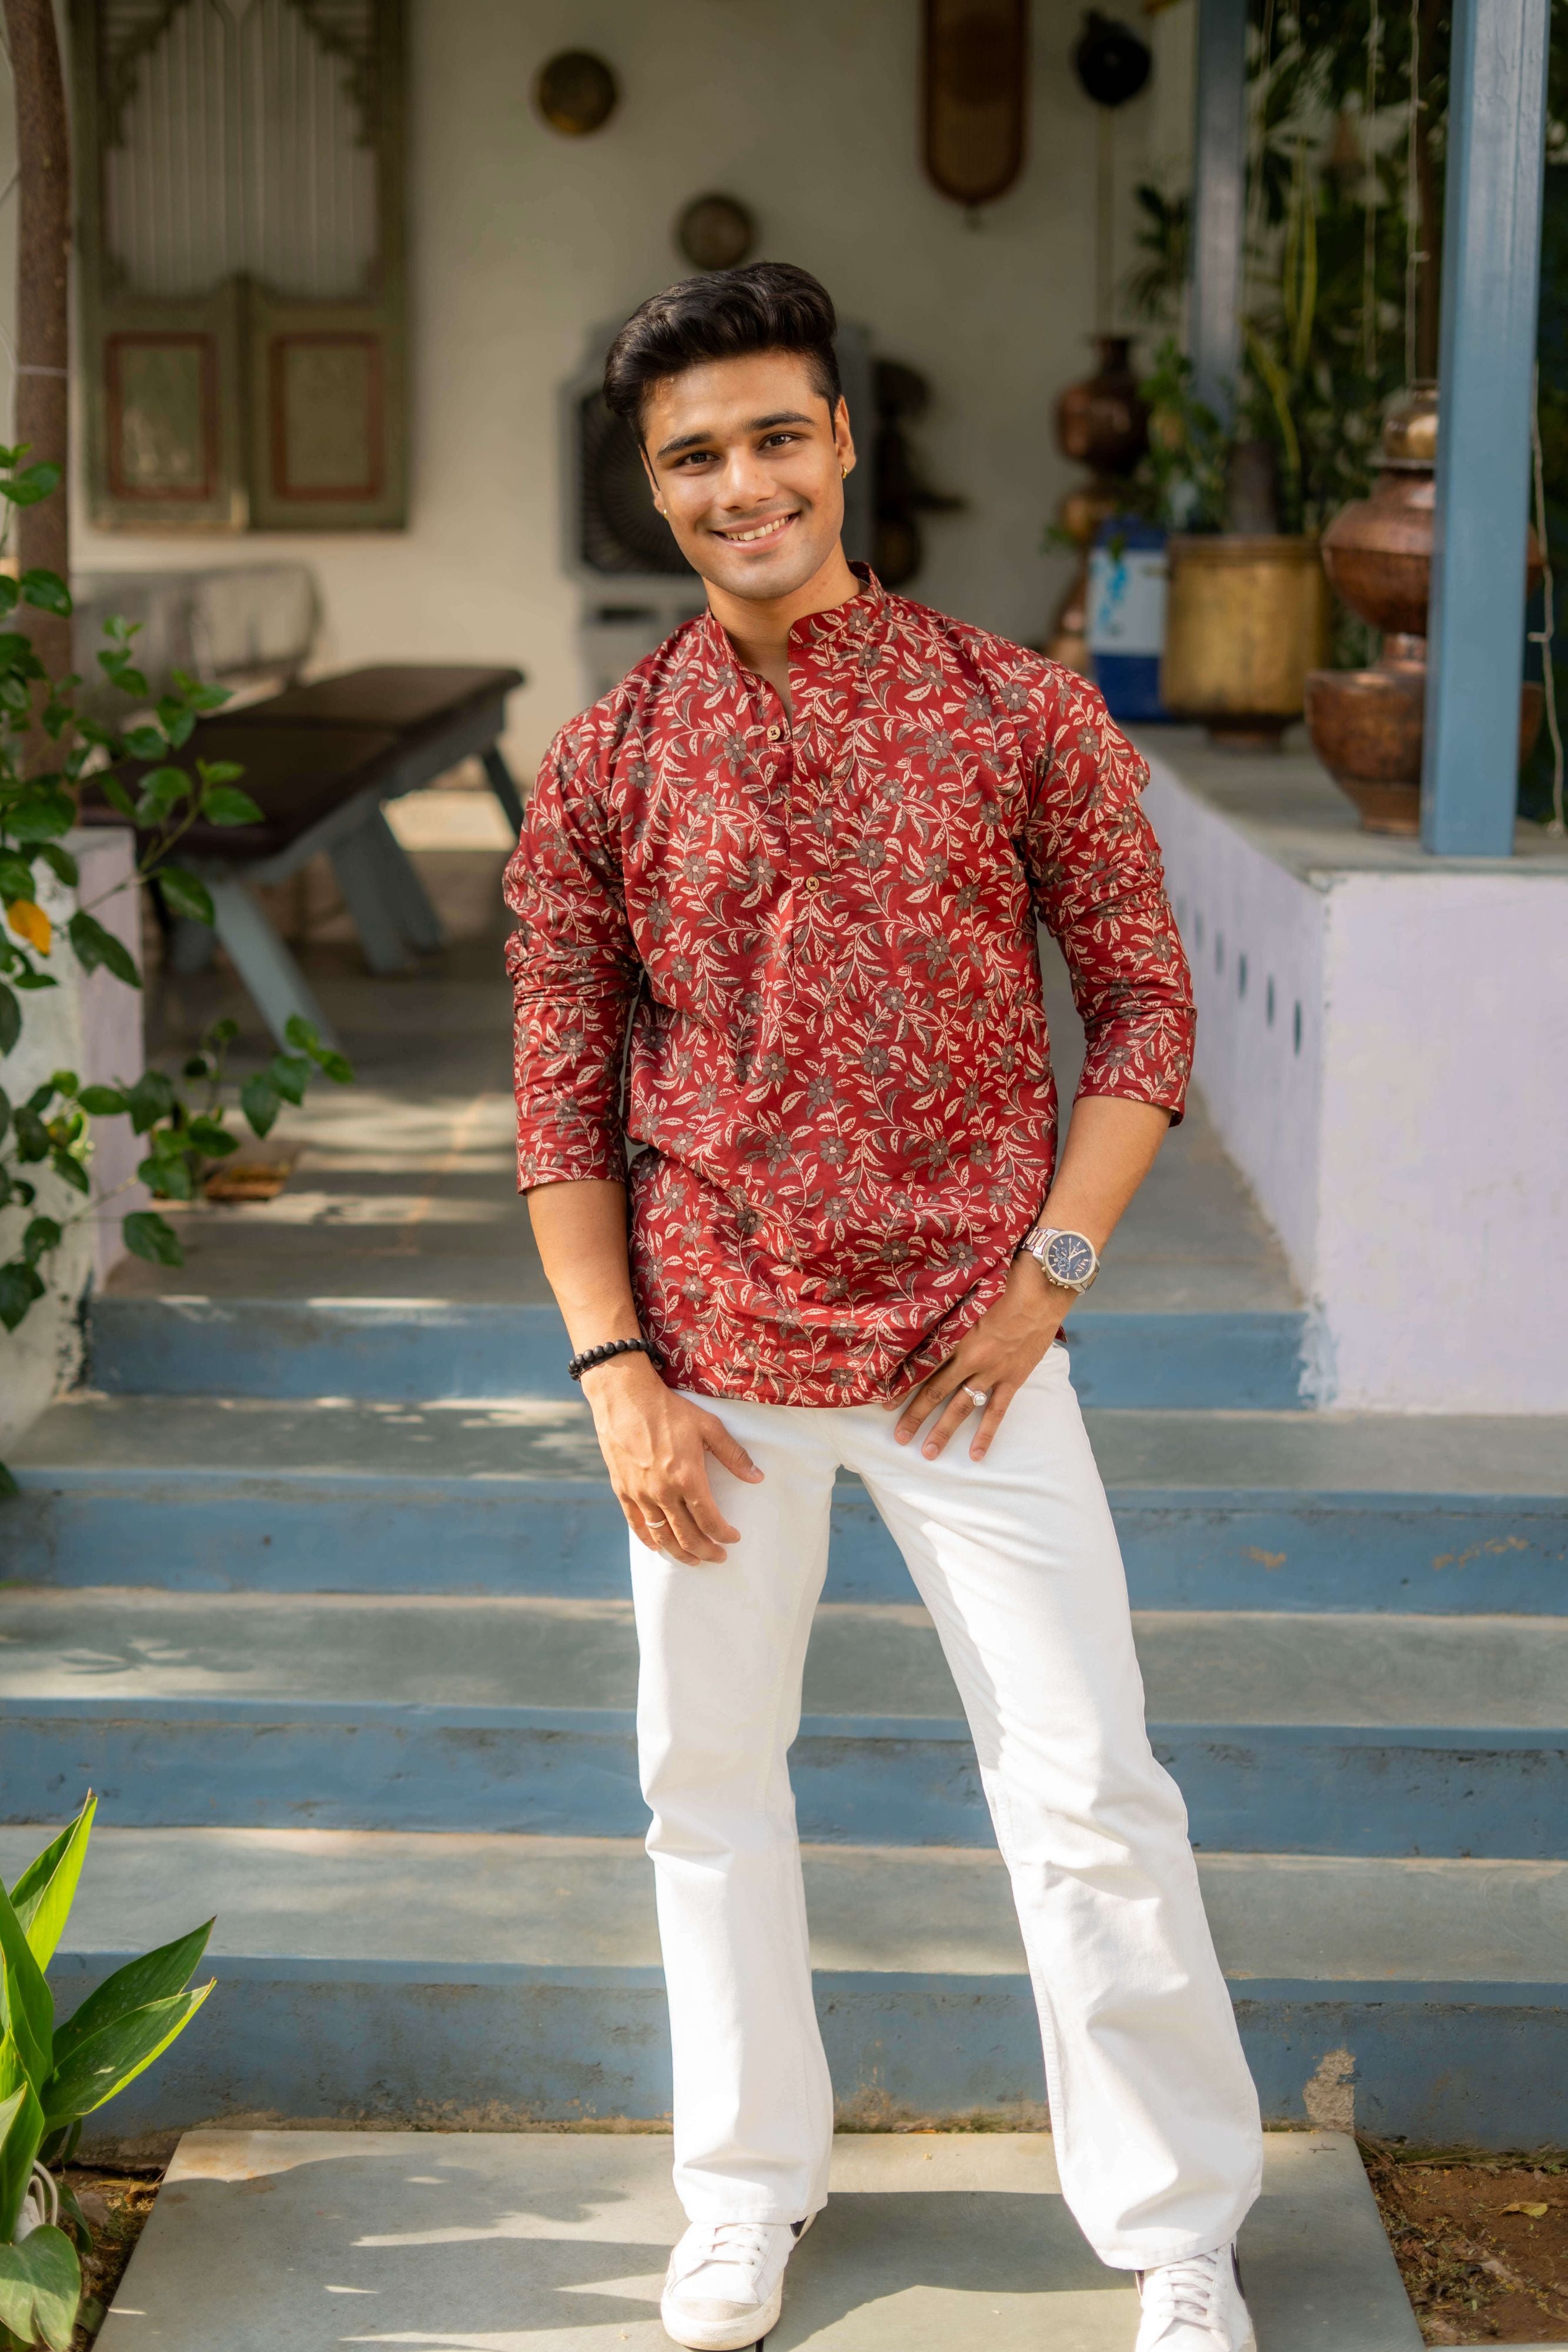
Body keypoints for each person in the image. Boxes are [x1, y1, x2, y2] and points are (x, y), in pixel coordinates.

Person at [504, 261, 1262, 2352]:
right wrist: (616, 1374)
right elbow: (559, 1094)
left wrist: (1047, 1278)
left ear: (842, 443)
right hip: (712, 1372)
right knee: (706, 1785)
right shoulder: (605, 762)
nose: (739, 484)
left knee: (1089, 1787)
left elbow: (1144, 1008)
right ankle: (741, 2194)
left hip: (973, 1362)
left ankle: (1174, 2229)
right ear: (654, 487)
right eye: (693, 457)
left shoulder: (1015, 710)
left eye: (774, 436)